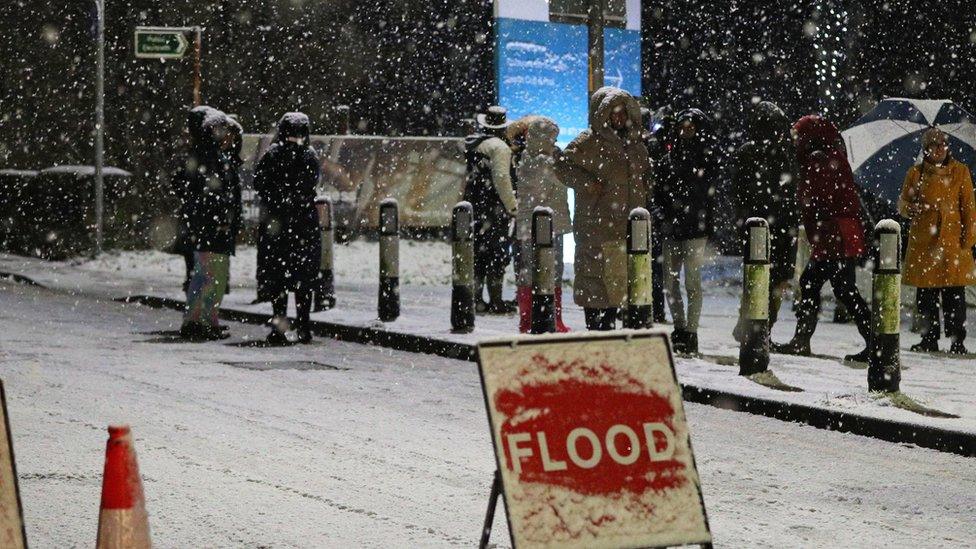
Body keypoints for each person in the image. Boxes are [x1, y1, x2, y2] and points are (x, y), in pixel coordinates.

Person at [772, 115, 871, 362]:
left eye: (798, 135)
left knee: (818, 284)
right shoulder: (832, 157)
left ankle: (803, 340)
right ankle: (875, 341)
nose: (794, 141)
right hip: (839, 233)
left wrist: (812, 219)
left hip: (833, 234)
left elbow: (820, 200)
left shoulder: (819, 161)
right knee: (840, 288)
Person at [555, 87, 650, 330]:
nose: (618, 118)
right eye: (612, 113)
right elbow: (563, 167)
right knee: (595, 278)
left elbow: (645, 178)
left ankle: (613, 333)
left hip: (627, 228)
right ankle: (598, 330)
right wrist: (588, 184)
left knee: (620, 281)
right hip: (596, 225)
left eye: (622, 113)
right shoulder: (588, 142)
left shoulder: (636, 145)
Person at [898, 127, 976, 354]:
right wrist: (908, 209)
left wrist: (968, 241)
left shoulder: (961, 172)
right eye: (935, 145)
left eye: (943, 144)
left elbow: (969, 210)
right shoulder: (915, 173)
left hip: (953, 243)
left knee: (954, 296)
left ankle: (957, 341)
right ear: (926, 150)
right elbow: (903, 202)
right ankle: (928, 338)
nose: (940, 148)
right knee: (926, 296)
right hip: (925, 241)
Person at [731, 101, 799, 341]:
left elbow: (738, 193)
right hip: (777, 224)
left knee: (759, 276)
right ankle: (760, 328)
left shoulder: (750, 153)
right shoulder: (783, 153)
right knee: (772, 279)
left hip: (764, 224)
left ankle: (754, 325)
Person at [253, 112, 321, 344]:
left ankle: (280, 326)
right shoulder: (309, 156)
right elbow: (311, 185)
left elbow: (259, 182)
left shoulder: (273, 155)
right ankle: (303, 325)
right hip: (303, 225)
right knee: (303, 278)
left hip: (278, 225)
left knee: (278, 277)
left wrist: (278, 199)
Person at [655, 108, 717, 354]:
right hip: (675, 229)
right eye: (683, 127)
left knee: (691, 283)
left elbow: (705, 194)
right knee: (671, 283)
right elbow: (659, 192)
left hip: (693, 229)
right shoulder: (669, 158)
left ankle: (690, 332)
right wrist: (663, 217)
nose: (685, 132)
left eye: (690, 127)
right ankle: (681, 328)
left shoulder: (705, 158)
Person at [177, 111, 238, 341]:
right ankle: (200, 320)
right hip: (211, 225)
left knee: (207, 274)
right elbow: (215, 191)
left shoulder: (205, 155)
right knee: (210, 275)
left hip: (206, 224)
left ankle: (201, 319)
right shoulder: (210, 157)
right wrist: (220, 215)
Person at [510, 115, 571, 333]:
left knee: (532, 271)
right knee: (548, 270)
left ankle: (530, 318)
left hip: (532, 225)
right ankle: (549, 318)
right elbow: (554, 184)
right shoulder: (543, 163)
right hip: (545, 225)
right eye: (552, 139)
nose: (554, 143)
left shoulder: (525, 158)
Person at [464, 106, 518, 314]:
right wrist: (512, 206)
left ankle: (475, 299)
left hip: (474, 208)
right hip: (494, 210)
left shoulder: (474, 145)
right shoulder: (499, 148)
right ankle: (495, 300)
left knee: (478, 255)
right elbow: (502, 180)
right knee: (497, 255)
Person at [642, 106, 672, 324]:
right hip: (654, 211)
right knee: (655, 266)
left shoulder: (640, 145)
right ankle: (655, 308)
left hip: (645, 210)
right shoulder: (657, 145)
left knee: (647, 263)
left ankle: (643, 306)